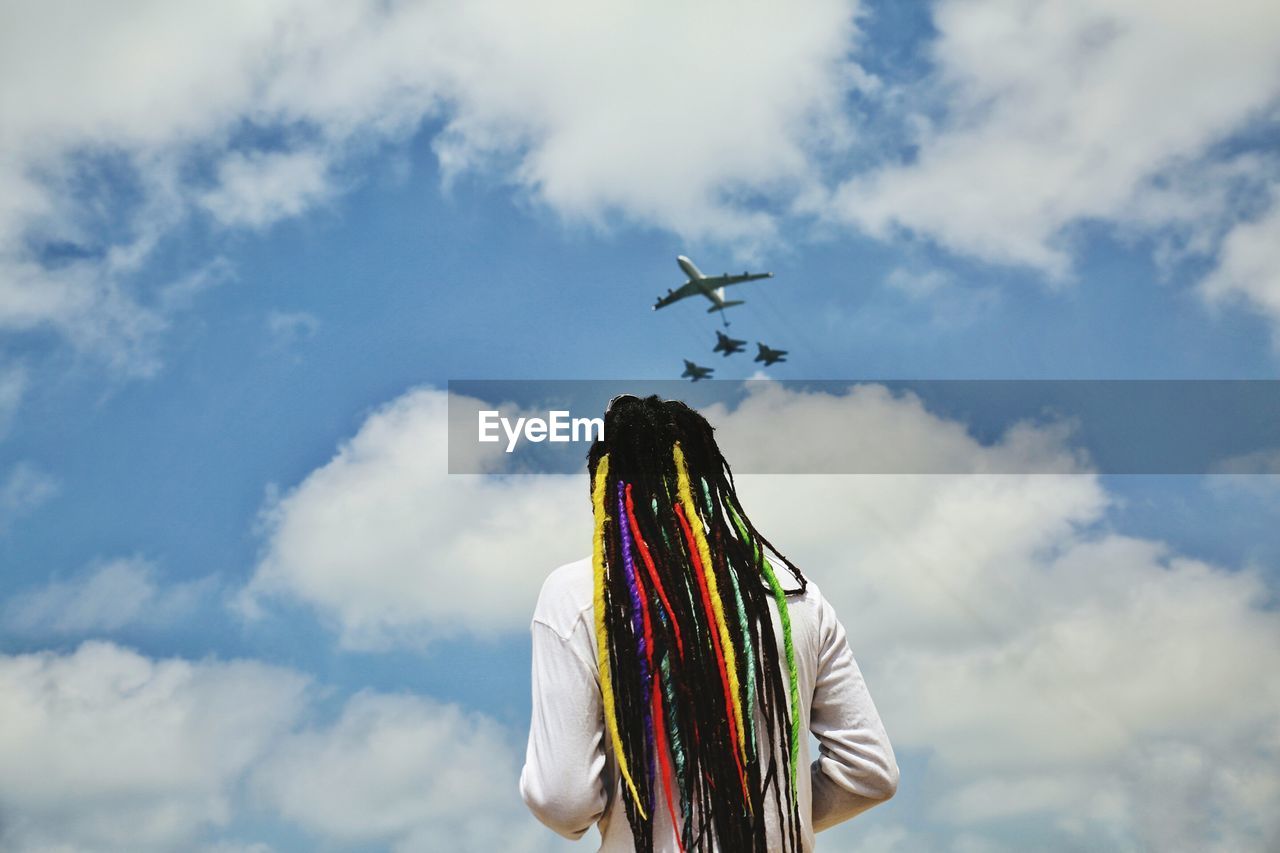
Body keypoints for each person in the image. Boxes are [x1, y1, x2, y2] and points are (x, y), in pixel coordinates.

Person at [519, 395, 898, 852]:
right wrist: (768, 811)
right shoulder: (793, 597)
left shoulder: (581, 595)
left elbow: (561, 798)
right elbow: (869, 773)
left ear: (605, 488)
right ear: (710, 481)